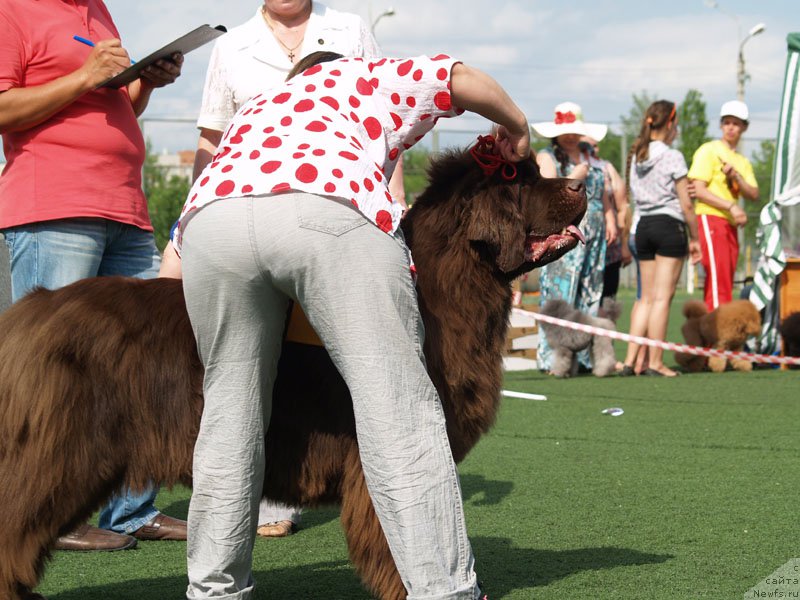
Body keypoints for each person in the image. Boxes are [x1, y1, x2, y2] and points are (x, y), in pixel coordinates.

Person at [175, 50, 529, 599]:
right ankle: (445, 591)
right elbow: (460, 80)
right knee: (399, 411)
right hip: (326, 204)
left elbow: (193, 233)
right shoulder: (357, 75)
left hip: (212, 220)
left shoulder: (258, 107)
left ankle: (213, 590)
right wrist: (517, 126)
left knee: (229, 417)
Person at [159, 0, 388, 539]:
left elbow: (380, 125)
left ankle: (325, 471)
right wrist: (185, 228)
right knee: (237, 375)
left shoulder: (350, 30)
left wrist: (385, 210)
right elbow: (211, 144)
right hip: (241, 215)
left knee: (327, 363)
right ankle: (253, 507)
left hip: (335, 215)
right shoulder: (231, 45)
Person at [0, 0, 187, 551]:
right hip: (53, 207)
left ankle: (132, 511)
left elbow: (111, 105)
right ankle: (46, 514)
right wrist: (85, 74)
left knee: (147, 365)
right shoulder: (13, 9)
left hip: (125, 209)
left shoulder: (100, 11)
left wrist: (143, 85)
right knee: (51, 379)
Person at [159, 0, 405, 282]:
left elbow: (382, 117)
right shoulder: (232, 45)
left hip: (340, 195)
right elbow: (213, 136)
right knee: (172, 269)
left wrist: (396, 197)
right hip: (248, 195)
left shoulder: (351, 30)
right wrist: (192, 213)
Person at [532, 102, 618, 373]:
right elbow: (546, 194)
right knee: (560, 294)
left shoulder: (590, 156)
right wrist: (573, 176)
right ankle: (552, 359)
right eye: (565, 130)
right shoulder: (548, 157)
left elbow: (603, 193)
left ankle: (584, 357)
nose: (570, 136)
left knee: (590, 290)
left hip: (594, 231)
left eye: (574, 130)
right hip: (563, 232)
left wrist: (611, 218)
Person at [619, 100, 702, 377]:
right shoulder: (673, 156)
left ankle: (631, 361)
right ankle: (655, 362)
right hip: (668, 226)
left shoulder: (637, 155)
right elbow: (686, 204)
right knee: (662, 299)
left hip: (643, 229)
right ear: (670, 123)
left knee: (645, 298)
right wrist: (696, 238)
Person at [688, 100, 759, 312]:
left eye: (736, 123)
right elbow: (698, 190)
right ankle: (719, 339)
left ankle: (712, 341)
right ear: (720, 125)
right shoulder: (709, 150)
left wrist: (736, 176)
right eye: (726, 122)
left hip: (729, 226)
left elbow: (754, 193)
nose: (730, 127)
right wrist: (732, 206)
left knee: (724, 281)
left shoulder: (741, 161)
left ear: (744, 127)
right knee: (719, 282)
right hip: (710, 219)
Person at [580, 136, 630, 300]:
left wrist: (624, 246)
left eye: (594, 145)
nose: (591, 149)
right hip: (580, 243)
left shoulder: (607, 169)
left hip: (609, 246)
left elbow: (622, 208)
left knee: (607, 300)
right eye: (586, 145)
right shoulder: (571, 165)